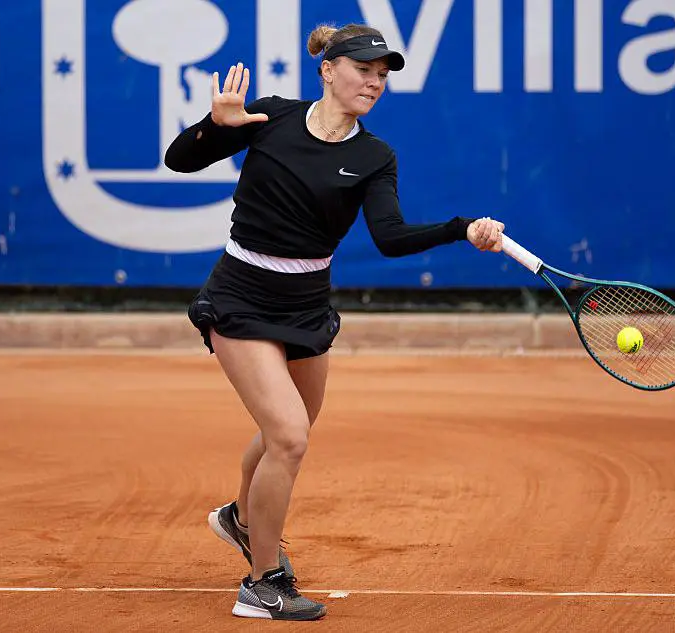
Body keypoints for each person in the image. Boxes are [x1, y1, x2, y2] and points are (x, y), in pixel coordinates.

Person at [165, 22, 505, 621]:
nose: (374, 82)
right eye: (363, 70)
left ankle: (240, 518)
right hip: (241, 296)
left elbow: (390, 238)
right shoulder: (271, 117)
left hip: (307, 305)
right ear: (328, 70)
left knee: (289, 431)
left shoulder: (374, 156)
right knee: (289, 436)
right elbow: (179, 161)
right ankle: (262, 584)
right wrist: (217, 127)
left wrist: (460, 229)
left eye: (382, 75)